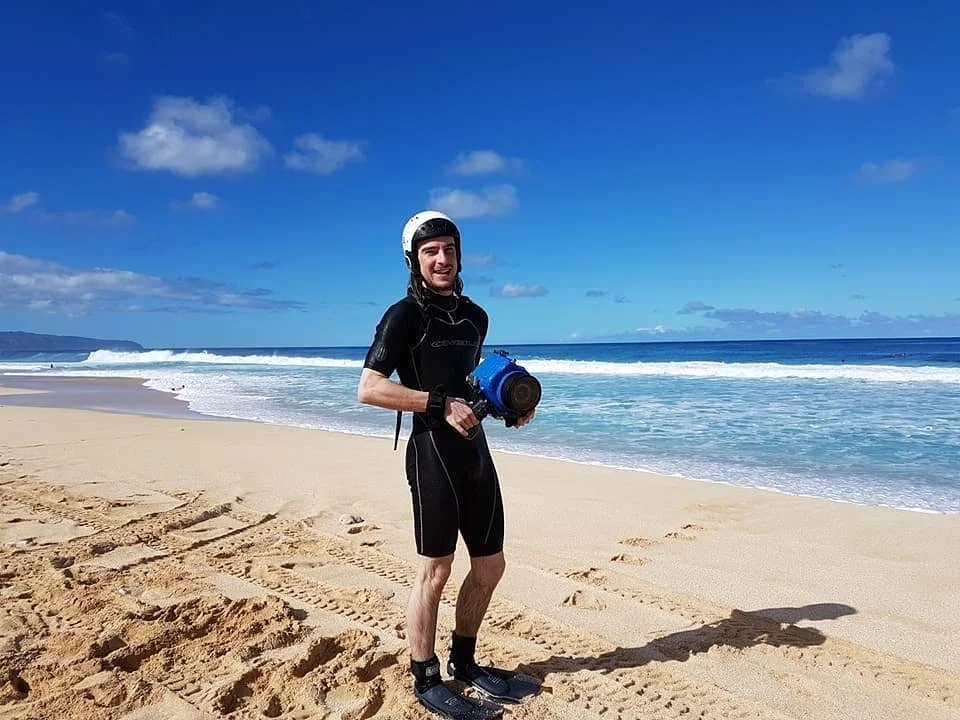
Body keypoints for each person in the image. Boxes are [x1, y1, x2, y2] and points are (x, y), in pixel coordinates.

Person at [357, 211, 538, 718]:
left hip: (475, 451)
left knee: (490, 565)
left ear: (459, 256)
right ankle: (426, 676)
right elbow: (369, 387)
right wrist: (439, 405)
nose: (441, 259)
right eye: (430, 251)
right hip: (432, 451)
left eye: (449, 250)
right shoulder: (404, 317)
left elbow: (471, 384)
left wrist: (509, 405)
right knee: (435, 570)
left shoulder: (476, 317)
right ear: (413, 259)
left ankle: (466, 661)